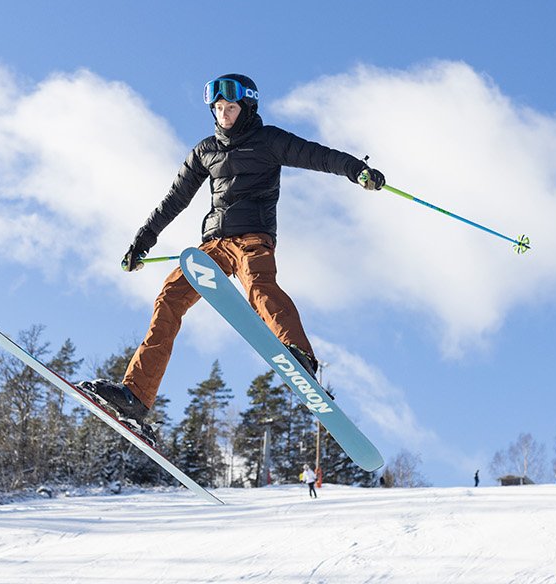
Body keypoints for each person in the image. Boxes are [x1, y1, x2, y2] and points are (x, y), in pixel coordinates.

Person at [79, 74, 385, 443]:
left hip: (253, 237)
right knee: (169, 298)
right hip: (212, 245)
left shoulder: (270, 141)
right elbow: (174, 199)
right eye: (219, 109)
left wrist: (358, 170)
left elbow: (317, 155)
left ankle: (300, 355)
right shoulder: (205, 150)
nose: (224, 115)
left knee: (259, 287)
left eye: (231, 108)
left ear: (248, 107)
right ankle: (136, 397)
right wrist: (142, 242)